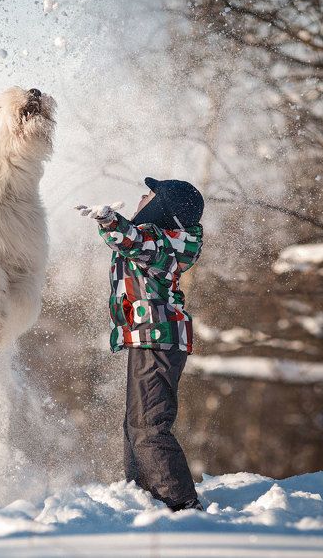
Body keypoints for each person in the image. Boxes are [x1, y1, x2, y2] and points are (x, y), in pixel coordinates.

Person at [75, 177, 205, 512]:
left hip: (157, 339)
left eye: (150, 195)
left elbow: (130, 240)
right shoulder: (163, 241)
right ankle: (141, 494)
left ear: (165, 208)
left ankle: (181, 503)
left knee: (149, 426)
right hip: (149, 338)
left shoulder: (163, 244)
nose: (142, 197)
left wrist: (108, 221)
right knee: (136, 425)